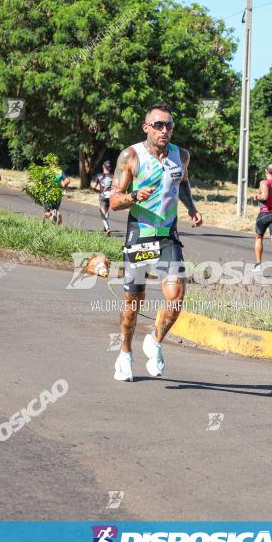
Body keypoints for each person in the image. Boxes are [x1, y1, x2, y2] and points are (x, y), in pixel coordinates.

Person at [109, 103, 203, 382]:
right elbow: (113, 201)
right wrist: (135, 197)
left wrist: (191, 208)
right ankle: (125, 353)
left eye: (169, 125)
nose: (165, 130)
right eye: (159, 125)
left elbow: (182, 183)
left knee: (176, 297)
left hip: (167, 233)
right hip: (139, 233)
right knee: (133, 301)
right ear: (146, 128)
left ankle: (155, 340)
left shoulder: (181, 155)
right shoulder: (130, 156)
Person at [92, 160, 115, 235]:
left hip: (103, 196)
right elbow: (115, 187)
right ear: (110, 168)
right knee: (106, 212)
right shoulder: (113, 176)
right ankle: (105, 228)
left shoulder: (99, 175)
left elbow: (94, 186)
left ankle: (107, 228)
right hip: (110, 196)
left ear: (103, 166)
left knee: (102, 212)